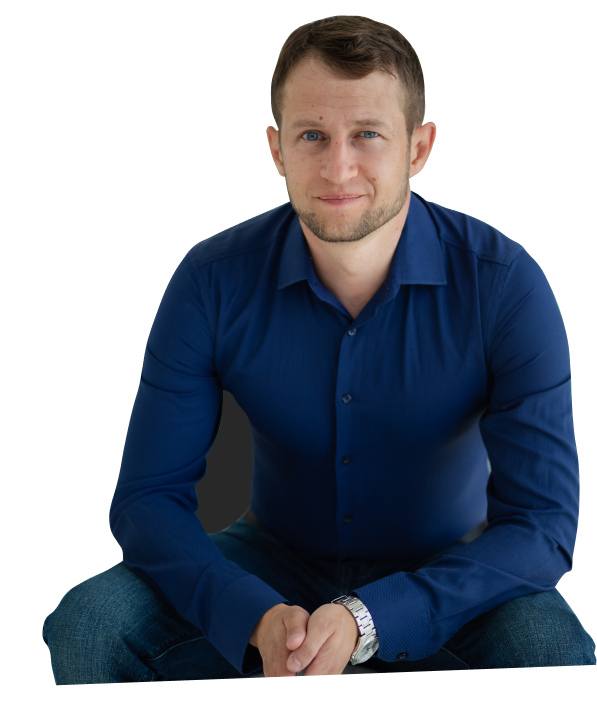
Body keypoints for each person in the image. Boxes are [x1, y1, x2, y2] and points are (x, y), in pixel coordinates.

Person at [42, 16, 594, 682]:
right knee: (90, 621)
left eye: (367, 134)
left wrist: (372, 616)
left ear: (418, 148)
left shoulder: (506, 285)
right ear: (276, 150)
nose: (338, 167)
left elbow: (542, 523)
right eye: (312, 135)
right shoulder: (210, 279)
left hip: (447, 570)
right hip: (270, 559)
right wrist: (250, 613)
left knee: (548, 649)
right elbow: (146, 498)